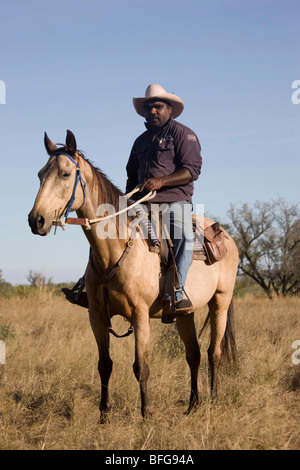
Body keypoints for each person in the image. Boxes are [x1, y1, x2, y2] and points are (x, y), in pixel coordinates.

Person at [126, 84, 202, 323]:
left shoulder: (183, 134)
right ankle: (89, 285)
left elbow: (192, 170)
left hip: (174, 199)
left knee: (183, 237)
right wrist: (126, 199)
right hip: (141, 201)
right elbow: (131, 174)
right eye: (149, 107)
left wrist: (161, 181)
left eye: (158, 106)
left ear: (169, 109)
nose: (153, 111)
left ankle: (177, 293)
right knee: (106, 230)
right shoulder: (140, 142)